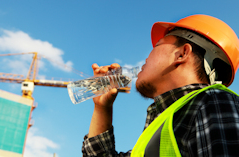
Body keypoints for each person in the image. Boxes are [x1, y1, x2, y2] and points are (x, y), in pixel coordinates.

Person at [81, 14, 239, 156]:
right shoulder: (162, 126)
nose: (146, 58)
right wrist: (102, 108)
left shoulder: (214, 103)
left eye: (157, 46)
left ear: (182, 54)